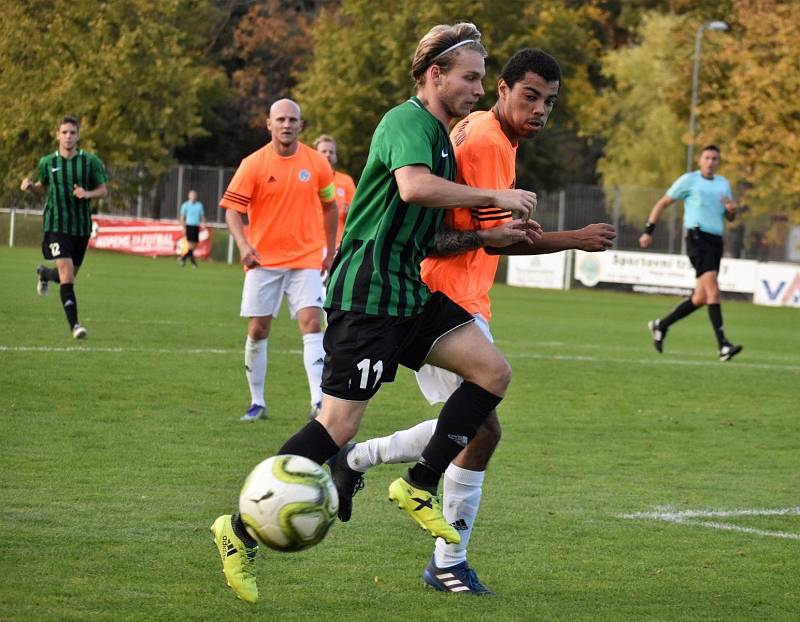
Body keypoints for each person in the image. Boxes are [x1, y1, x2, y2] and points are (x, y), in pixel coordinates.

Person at [211, 22, 543, 604]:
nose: (476, 88)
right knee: (337, 425)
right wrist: (494, 197)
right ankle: (237, 530)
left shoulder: (442, 136)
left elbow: (435, 231)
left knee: (493, 374)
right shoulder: (405, 122)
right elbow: (413, 189)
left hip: (407, 292)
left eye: (481, 79)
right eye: (469, 77)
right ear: (434, 74)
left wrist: (500, 232)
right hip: (365, 294)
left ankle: (418, 484)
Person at [328, 48, 616, 595]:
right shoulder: (482, 142)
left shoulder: (493, 138)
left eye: (549, 103)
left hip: (463, 298)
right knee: (480, 427)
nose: (539, 111)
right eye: (529, 96)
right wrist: (571, 240)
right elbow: (453, 235)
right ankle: (444, 554)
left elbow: (491, 236)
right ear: (502, 89)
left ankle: (364, 463)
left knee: (477, 425)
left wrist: (552, 238)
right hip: (441, 297)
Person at [220, 98, 339, 423]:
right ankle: (257, 402)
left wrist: (328, 250)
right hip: (263, 261)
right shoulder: (253, 164)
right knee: (258, 329)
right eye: (281, 119)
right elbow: (232, 210)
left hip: (305, 259)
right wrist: (243, 245)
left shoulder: (317, 163)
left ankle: (319, 403)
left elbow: (330, 207)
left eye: (293, 120)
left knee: (312, 323)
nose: (287, 125)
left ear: (301, 126)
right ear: (269, 124)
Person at [640, 145, 742, 361]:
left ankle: (661, 325)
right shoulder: (689, 180)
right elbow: (663, 203)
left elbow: (730, 217)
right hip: (697, 239)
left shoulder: (724, 184)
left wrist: (732, 211)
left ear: (718, 162)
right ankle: (723, 345)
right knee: (713, 291)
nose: (711, 161)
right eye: (707, 157)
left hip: (716, 241)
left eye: (715, 158)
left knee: (701, 297)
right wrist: (649, 230)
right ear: (699, 160)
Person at [21, 115, 108, 339]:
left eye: (72, 133)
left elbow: (103, 190)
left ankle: (44, 273)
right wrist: (31, 187)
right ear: (58, 135)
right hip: (56, 224)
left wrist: (86, 193)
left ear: (78, 136)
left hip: (80, 227)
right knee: (67, 275)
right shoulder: (48, 162)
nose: (68, 136)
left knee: (65, 276)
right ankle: (75, 326)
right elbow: (43, 187)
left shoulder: (90, 162)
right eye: (64, 132)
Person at [313, 134, 356, 249]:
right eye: (324, 151)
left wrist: (349, 212)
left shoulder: (346, 180)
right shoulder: (308, 179)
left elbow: (356, 213)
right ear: (315, 154)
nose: (328, 154)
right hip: (312, 246)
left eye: (331, 152)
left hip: (338, 244)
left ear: (336, 156)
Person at [178, 189, 205, 268]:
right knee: (190, 244)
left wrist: (203, 223)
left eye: (194, 195)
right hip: (189, 226)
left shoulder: (199, 205)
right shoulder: (185, 205)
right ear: (189, 196)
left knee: (194, 244)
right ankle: (193, 263)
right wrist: (183, 227)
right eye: (191, 195)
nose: (193, 197)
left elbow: (202, 216)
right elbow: (182, 217)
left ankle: (183, 258)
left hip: (196, 226)